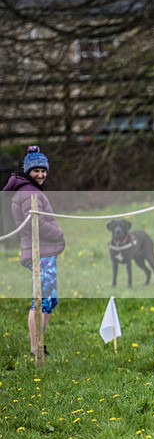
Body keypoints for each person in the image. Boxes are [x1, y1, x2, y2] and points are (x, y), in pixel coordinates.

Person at [3, 146, 65, 357]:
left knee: (50, 299)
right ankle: (35, 348)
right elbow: (35, 224)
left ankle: (39, 344)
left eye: (43, 170)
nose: (41, 174)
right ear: (28, 171)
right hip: (40, 252)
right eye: (36, 170)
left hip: (45, 252)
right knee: (41, 300)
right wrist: (58, 233)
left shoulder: (30, 190)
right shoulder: (29, 192)